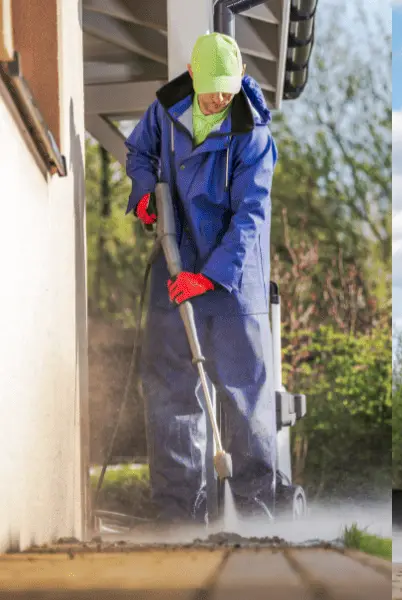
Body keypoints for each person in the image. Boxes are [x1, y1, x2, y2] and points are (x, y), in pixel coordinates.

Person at [124, 32, 279, 525]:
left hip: (231, 283)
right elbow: (139, 154)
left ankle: (257, 519)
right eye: (213, 88)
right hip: (175, 272)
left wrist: (210, 276)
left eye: (228, 89)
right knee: (171, 393)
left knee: (242, 394)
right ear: (192, 77)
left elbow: (251, 216)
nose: (220, 98)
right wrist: (146, 193)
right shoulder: (165, 114)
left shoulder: (251, 134)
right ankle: (177, 520)